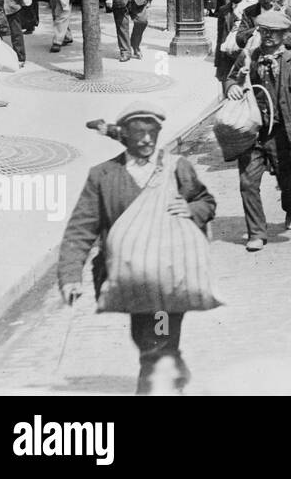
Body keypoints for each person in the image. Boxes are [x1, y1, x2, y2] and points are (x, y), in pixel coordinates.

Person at [57, 103, 216, 394]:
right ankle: (171, 369)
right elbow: (81, 229)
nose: (146, 140)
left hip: (169, 280)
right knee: (144, 338)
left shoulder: (176, 168)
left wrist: (192, 207)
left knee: (157, 343)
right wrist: (69, 276)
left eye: (152, 133)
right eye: (139, 133)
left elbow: (206, 202)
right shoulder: (103, 176)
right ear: (124, 136)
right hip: (127, 280)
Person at [224, 10, 291, 252]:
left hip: (283, 133)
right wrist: (232, 88)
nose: (268, 36)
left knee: (287, 181)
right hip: (252, 131)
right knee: (247, 183)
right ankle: (257, 233)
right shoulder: (248, 57)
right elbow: (229, 79)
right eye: (264, 31)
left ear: (284, 35)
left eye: (274, 33)